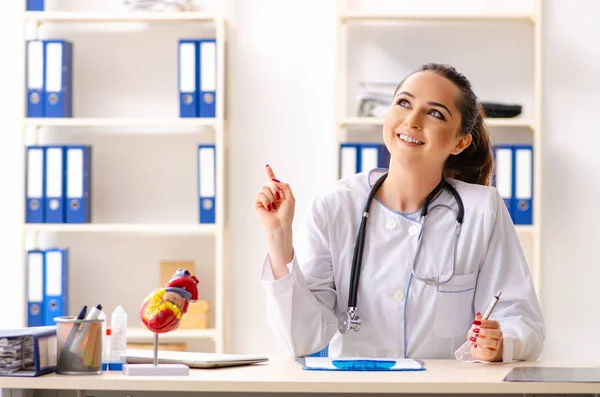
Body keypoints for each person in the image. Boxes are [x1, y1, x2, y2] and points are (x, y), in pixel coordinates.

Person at [253, 63, 545, 363]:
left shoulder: (481, 208)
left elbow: (521, 319)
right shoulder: (334, 206)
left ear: (461, 142)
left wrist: (501, 342)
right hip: (357, 390)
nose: (412, 120)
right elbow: (301, 340)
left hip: (444, 392)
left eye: (435, 113)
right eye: (404, 103)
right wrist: (278, 239)